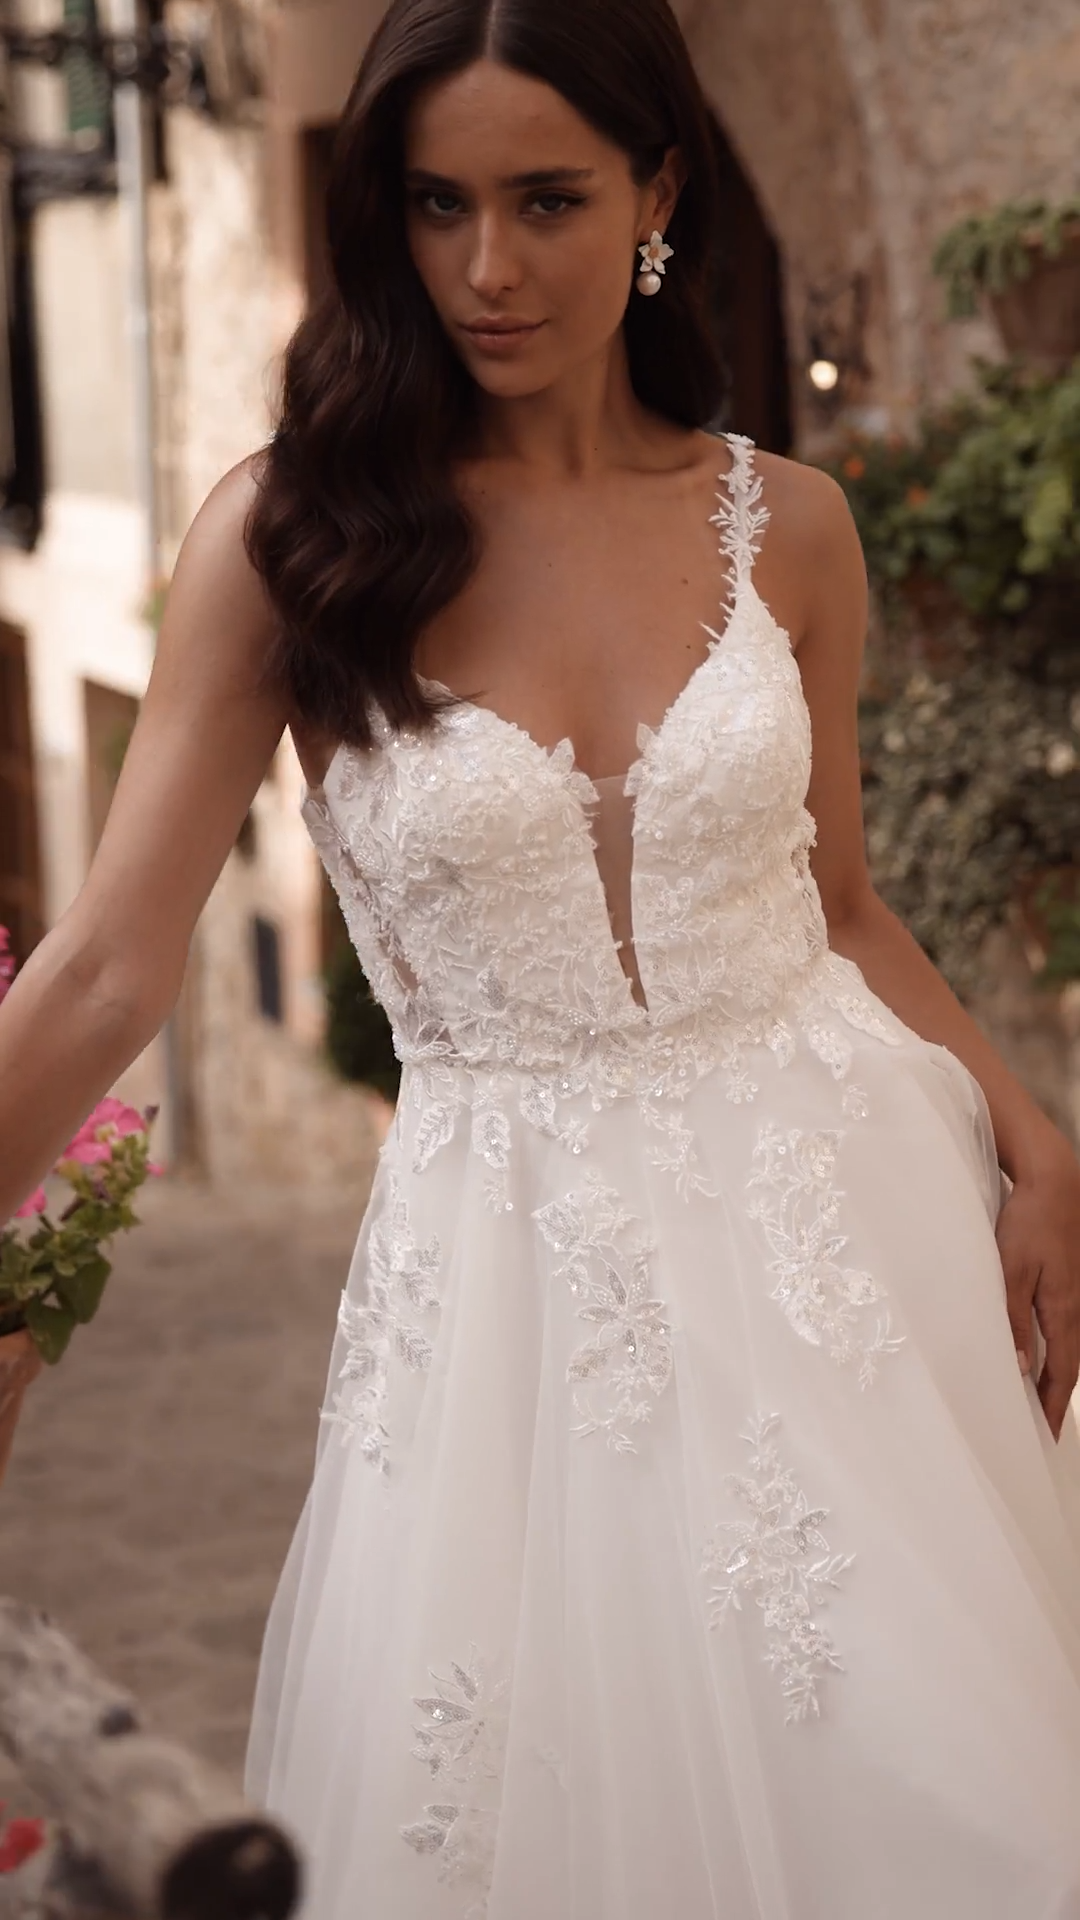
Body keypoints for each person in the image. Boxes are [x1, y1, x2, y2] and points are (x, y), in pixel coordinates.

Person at [2, 0, 1079, 1912]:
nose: (486, 268)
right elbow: (102, 967)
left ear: (659, 190)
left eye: (549, 200)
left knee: (937, 1783)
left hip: (846, 1233)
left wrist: (1036, 1134)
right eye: (435, 205)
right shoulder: (297, 538)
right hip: (511, 1280)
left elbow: (834, 900)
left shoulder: (791, 528)